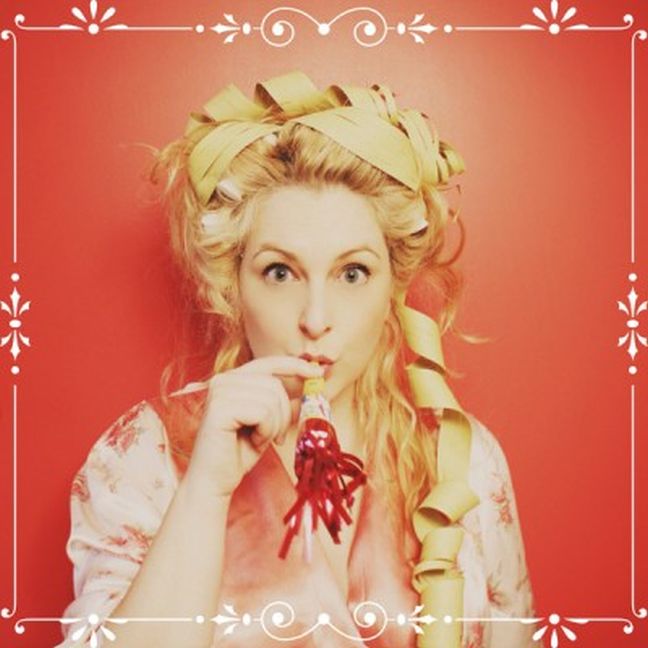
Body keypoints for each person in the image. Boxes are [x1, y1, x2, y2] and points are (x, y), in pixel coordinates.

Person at [57, 71, 537, 648]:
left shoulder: (465, 461)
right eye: (280, 272)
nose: (315, 317)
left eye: (352, 273)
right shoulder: (146, 452)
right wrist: (205, 490)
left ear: (393, 285)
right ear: (233, 283)